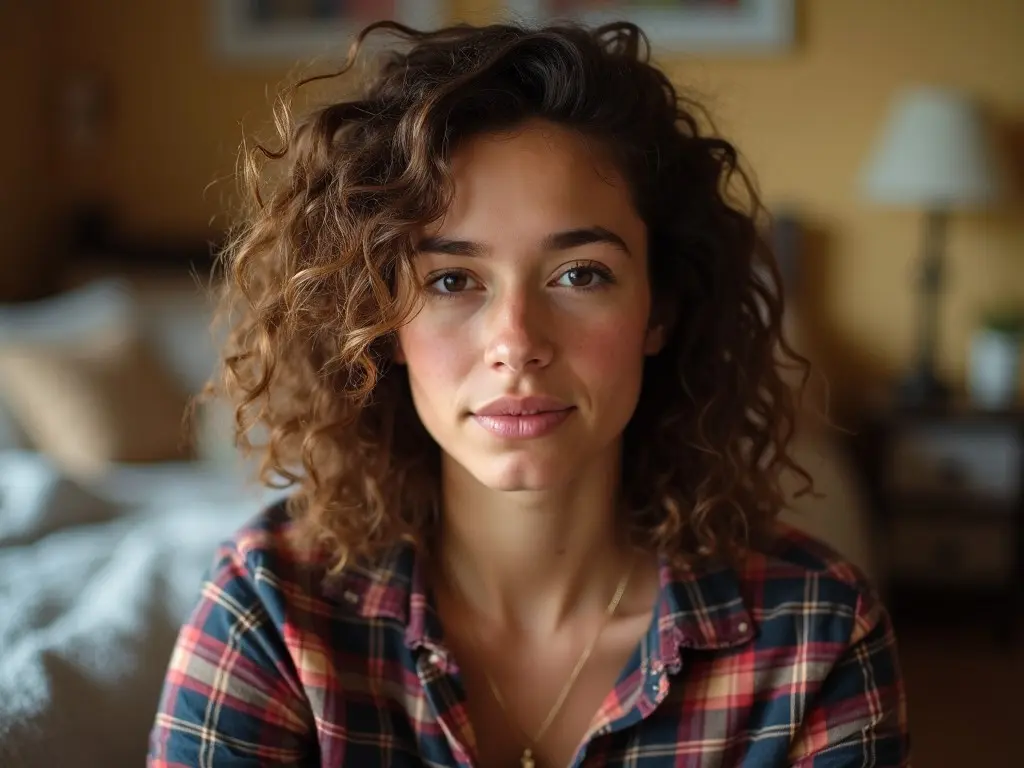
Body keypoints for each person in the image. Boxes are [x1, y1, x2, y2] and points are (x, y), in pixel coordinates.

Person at [148, 19, 909, 768]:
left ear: (660, 309)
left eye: (581, 274)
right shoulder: (271, 612)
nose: (516, 342)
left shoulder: (815, 634)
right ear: (378, 324)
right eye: (451, 280)